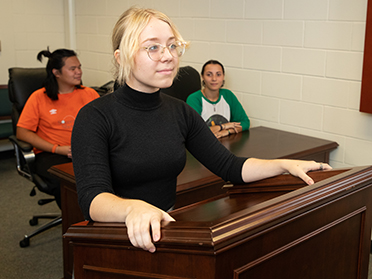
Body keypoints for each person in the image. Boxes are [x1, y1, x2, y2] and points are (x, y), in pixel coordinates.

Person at [71, 7, 331, 254]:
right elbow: (92, 199)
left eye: (172, 45)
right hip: (114, 236)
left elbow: (229, 166)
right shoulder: (95, 117)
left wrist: (283, 165)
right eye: (153, 47)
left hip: (164, 229)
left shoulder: (180, 112)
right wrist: (132, 209)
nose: (168, 56)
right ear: (121, 58)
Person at [16, 48, 100, 209]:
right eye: (72, 69)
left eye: (79, 67)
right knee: (69, 181)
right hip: (51, 154)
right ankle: (75, 225)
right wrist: (58, 149)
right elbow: (22, 132)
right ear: (56, 72)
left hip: (85, 151)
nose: (79, 72)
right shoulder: (39, 97)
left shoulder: (89, 94)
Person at [187, 60, 250, 138]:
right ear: (202, 77)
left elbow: (245, 122)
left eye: (218, 75)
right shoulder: (194, 99)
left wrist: (228, 131)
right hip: (203, 145)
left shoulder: (228, 95)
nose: (214, 79)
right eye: (209, 75)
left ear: (223, 76)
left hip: (225, 144)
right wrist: (223, 126)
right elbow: (196, 131)